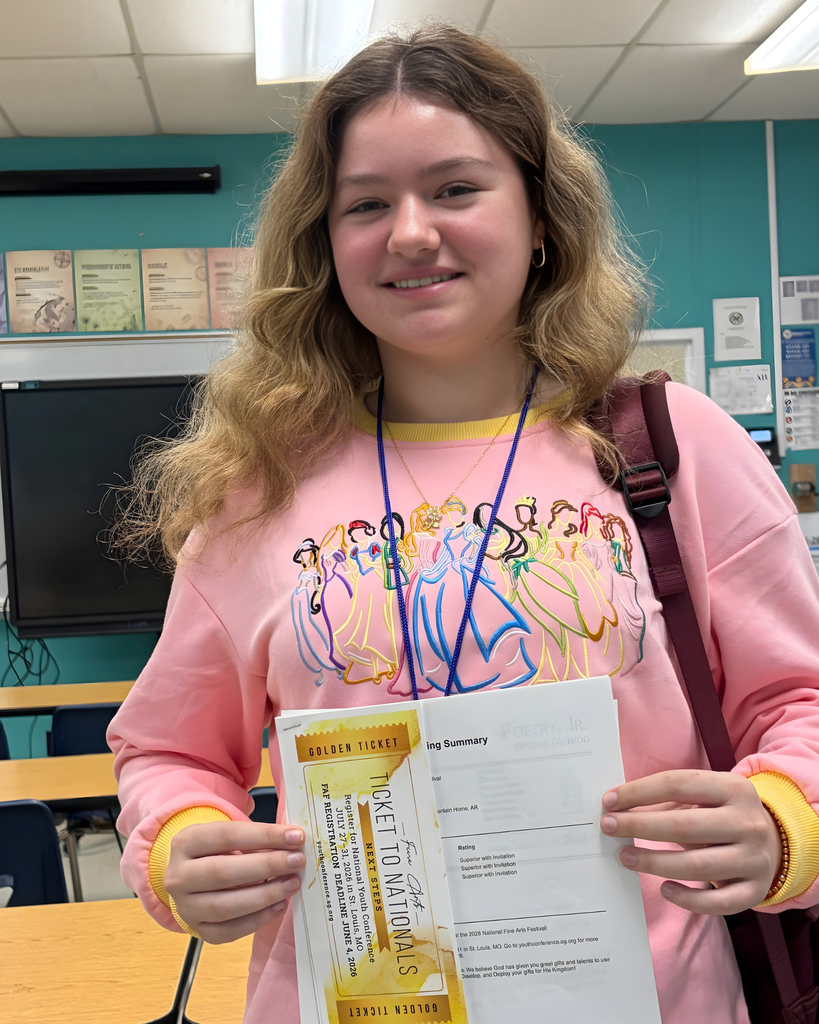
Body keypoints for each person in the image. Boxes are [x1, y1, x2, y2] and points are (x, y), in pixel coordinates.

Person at [108, 24, 819, 1024]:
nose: (409, 232)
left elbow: (801, 700)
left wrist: (784, 820)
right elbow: (169, 751)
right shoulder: (254, 490)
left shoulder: (672, 447)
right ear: (325, 245)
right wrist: (180, 842)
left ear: (540, 220)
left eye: (454, 189)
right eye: (365, 203)